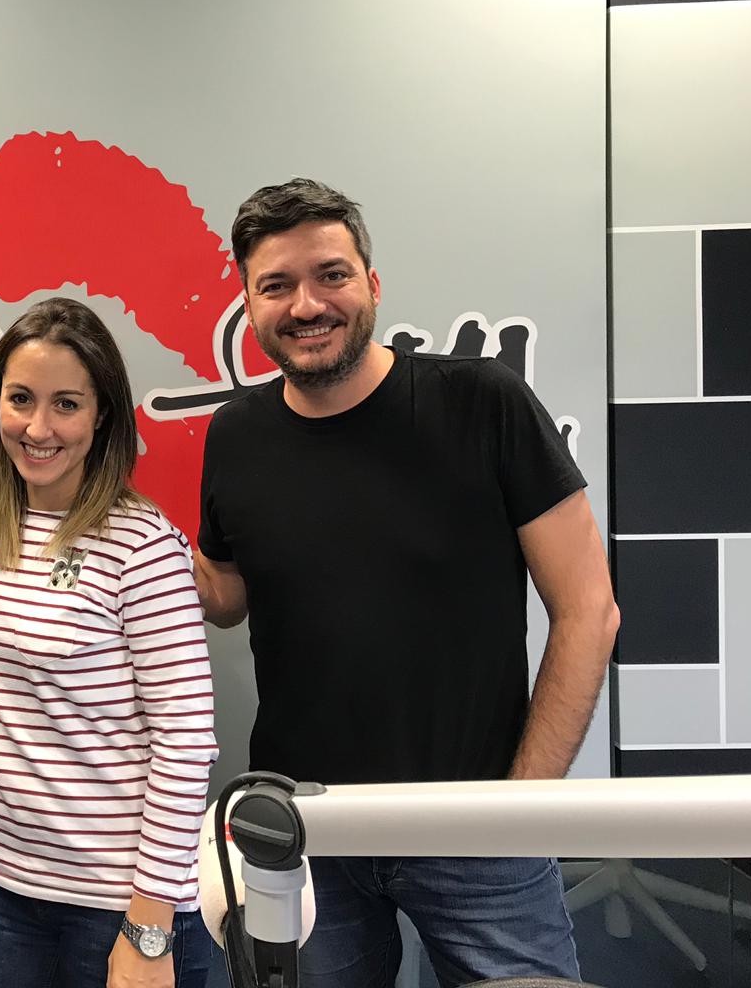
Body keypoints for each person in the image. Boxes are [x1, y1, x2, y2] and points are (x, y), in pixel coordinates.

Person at [194, 178, 620, 987]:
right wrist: (112, 530)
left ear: (373, 282)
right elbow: (227, 596)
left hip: (478, 828)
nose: (306, 305)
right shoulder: (236, 434)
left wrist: (523, 806)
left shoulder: (483, 402)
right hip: (307, 829)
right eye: (276, 285)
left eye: (331, 275)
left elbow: (588, 610)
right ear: (249, 305)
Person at [0, 297, 219, 988]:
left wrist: (148, 926)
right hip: (4, 888)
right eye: (21, 399)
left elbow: (186, 739)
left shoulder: (142, 544)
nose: (38, 428)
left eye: (66, 404)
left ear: (102, 415)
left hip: (119, 902)